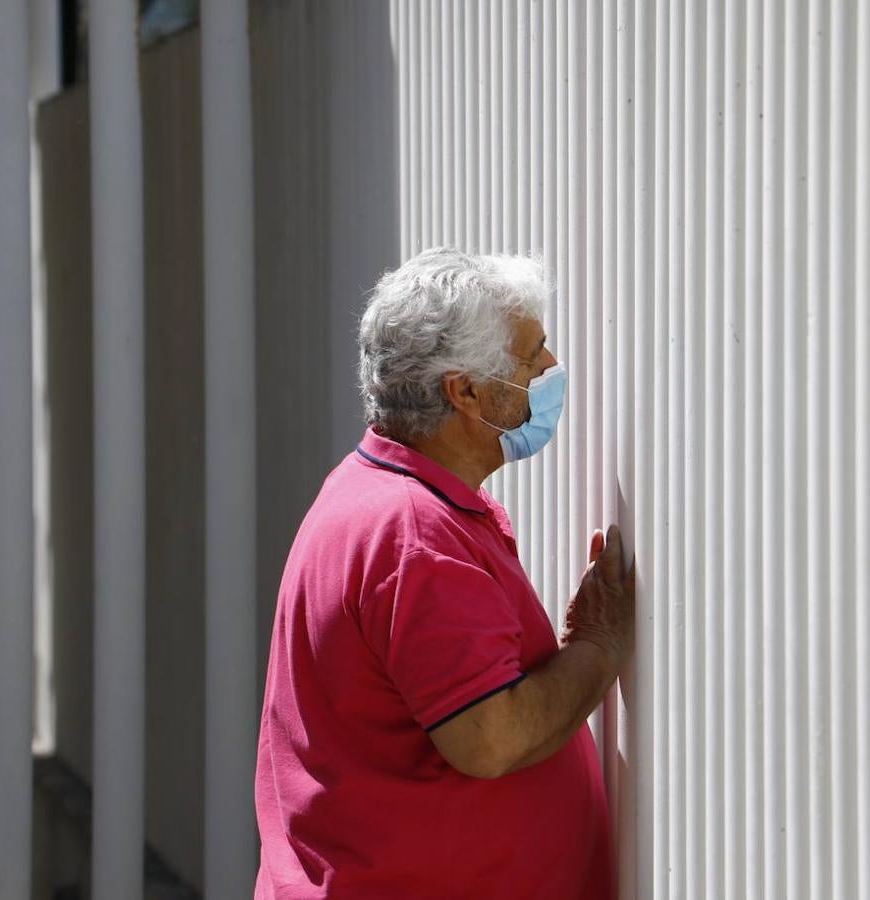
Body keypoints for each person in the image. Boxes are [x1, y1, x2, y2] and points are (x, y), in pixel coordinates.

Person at [254, 247, 635, 899]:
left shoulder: (373, 492)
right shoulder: (412, 532)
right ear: (465, 391)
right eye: (532, 354)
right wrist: (597, 648)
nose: (550, 368)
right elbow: (490, 739)